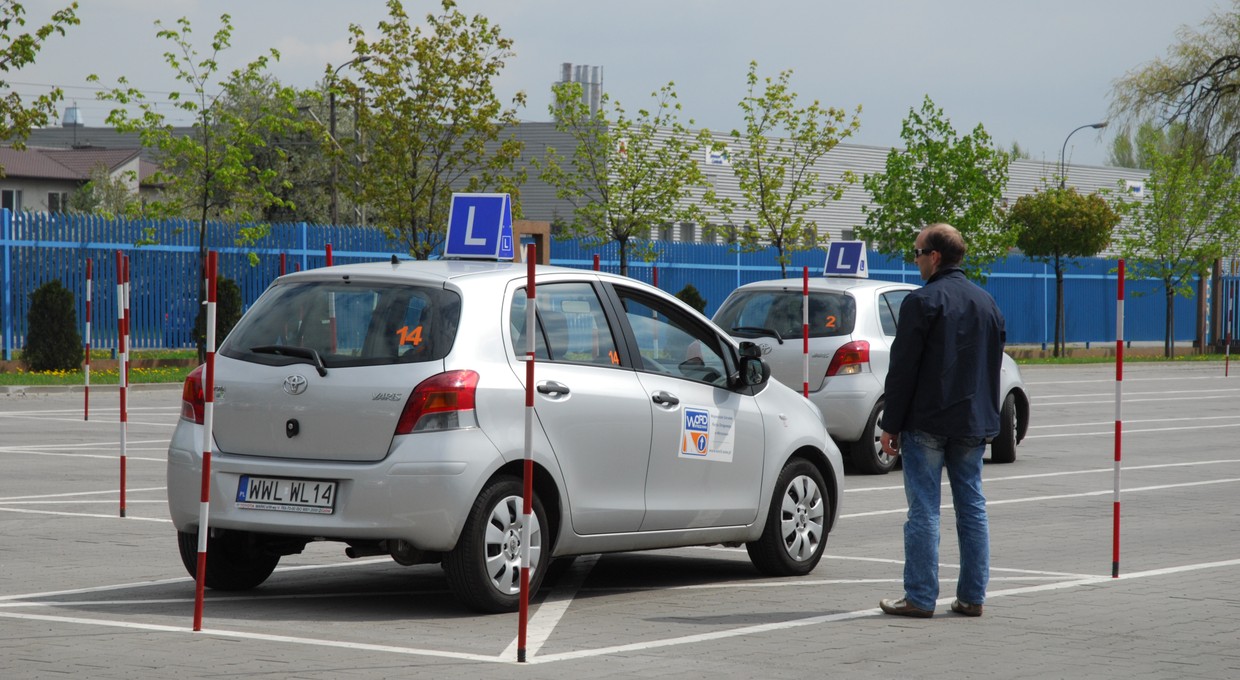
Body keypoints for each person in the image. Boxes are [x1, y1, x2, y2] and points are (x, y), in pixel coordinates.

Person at [878, 223, 1006, 619]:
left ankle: (919, 597)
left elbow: (903, 368)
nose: (914, 260)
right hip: (971, 422)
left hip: (927, 421)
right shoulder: (987, 302)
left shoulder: (921, 302)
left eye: (917, 253)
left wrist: (890, 423)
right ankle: (972, 597)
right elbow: (993, 365)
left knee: (924, 510)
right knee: (972, 508)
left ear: (934, 256)